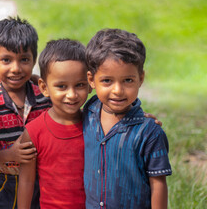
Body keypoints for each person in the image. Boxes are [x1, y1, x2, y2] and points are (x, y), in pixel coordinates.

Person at [83, 28, 172, 209]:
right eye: (107, 81)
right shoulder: (88, 112)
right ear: (91, 80)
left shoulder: (149, 132)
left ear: (140, 78)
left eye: (128, 81)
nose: (118, 90)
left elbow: (158, 184)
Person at [0, 17, 51, 209]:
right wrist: (8, 154)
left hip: (45, 179)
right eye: (6, 60)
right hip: (8, 183)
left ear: (33, 60)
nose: (16, 68)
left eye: (24, 60)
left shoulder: (44, 96)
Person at [18, 39, 88, 209]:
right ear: (44, 87)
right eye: (61, 86)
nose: (71, 95)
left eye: (79, 85)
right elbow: (26, 182)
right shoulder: (33, 132)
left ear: (90, 82)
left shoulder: (96, 125)